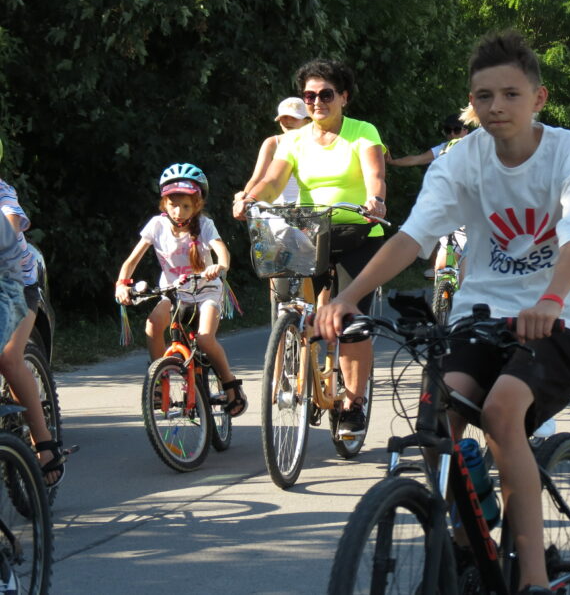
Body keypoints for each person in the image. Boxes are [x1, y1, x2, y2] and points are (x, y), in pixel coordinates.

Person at [316, 31, 570, 595]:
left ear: (538, 98)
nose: (496, 106)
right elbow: (414, 235)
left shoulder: (568, 153)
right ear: (471, 102)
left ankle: (531, 580)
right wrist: (348, 296)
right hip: (483, 313)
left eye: (510, 94)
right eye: (483, 96)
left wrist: (550, 300)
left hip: (566, 316)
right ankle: (466, 541)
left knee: (502, 413)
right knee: (439, 417)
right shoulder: (464, 159)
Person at [233, 58, 386, 433]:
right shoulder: (294, 140)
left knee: (350, 320)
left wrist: (376, 201)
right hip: (311, 234)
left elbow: (375, 175)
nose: (317, 102)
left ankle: (353, 403)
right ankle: (308, 374)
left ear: (343, 97)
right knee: (301, 310)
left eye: (326, 94)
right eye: (310, 96)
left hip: (358, 233)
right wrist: (250, 199)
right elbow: (272, 181)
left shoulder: (362, 132)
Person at [116, 164, 247, 417]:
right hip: (174, 292)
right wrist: (122, 284)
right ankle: (158, 378)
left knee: (205, 339)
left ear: (196, 205)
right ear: (164, 203)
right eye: (173, 205)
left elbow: (222, 251)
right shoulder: (156, 225)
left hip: (206, 290)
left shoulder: (204, 224)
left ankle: (230, 384)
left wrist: (220, 266)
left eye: (186, 206)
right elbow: (131, 261)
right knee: (153, 325)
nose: (179, 211)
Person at [0, 144, 66, 486]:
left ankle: (44, 443)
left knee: (9, 359)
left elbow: (11, 223)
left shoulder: (3, 192)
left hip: (16, 287)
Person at [236, 97, 313, 316]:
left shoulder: (316, 143)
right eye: (283, 119)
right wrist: (245, 197)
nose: (287, 123)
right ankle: (279, 320)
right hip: (277, 213)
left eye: (293, 119)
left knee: (310, 268)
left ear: (307, 120)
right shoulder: (273, 143)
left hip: (307, 212)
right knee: (276, 271)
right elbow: (258, 177)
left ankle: (311, 327)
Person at [386, 113, 468, 167]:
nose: (452, 134)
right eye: (448, 130)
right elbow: (417, 159)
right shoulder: (443, 149)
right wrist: (392, 162)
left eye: (457, 130)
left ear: (465, 131)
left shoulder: (473, 146)